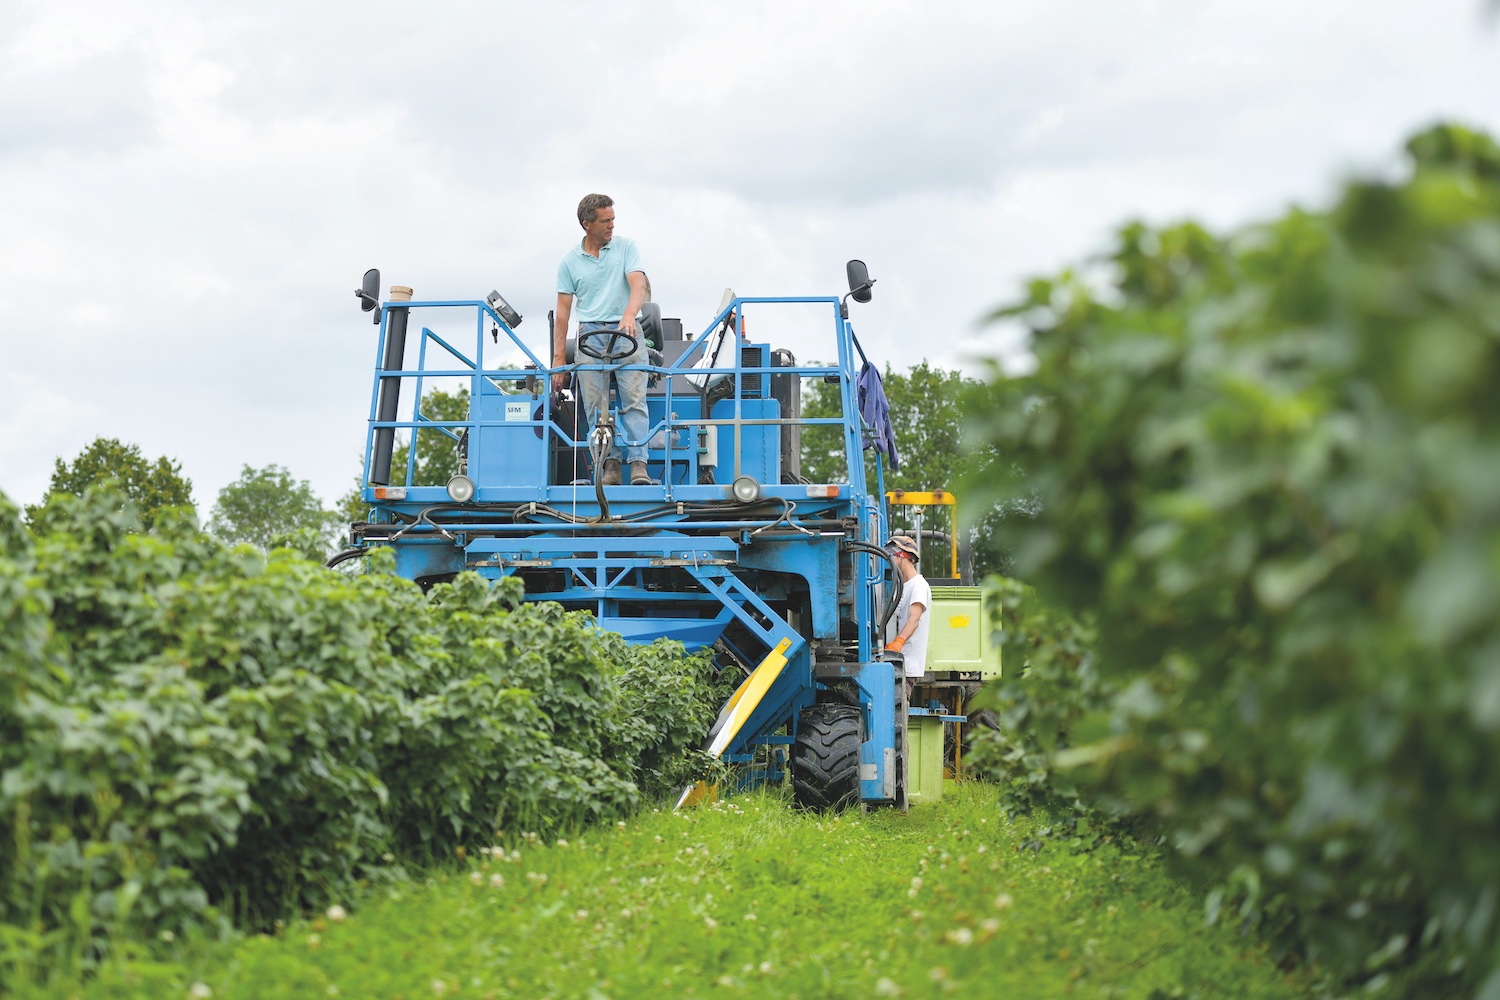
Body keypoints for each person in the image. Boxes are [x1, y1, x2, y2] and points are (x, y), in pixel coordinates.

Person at [552, 193, 655, 486]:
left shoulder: (626, 248)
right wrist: (559, 359)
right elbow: (562, 311)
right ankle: (609, 465)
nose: (612, 225)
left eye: (613, 219)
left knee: (634, 400)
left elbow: (638, 284)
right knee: (595, 407)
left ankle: (638, 466)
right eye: (605, 221)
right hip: (590, 335)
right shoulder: (570, 261)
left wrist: (628, 316)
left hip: (627, 332)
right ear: (587, 224)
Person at [884, 535, 930, 694]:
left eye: (892, 556)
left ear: (903, 556)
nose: (890, 560)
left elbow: (914, 619)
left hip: (907, 665)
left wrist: (899, 642)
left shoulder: (919, 585)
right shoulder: (902, 586)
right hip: (897, 661)